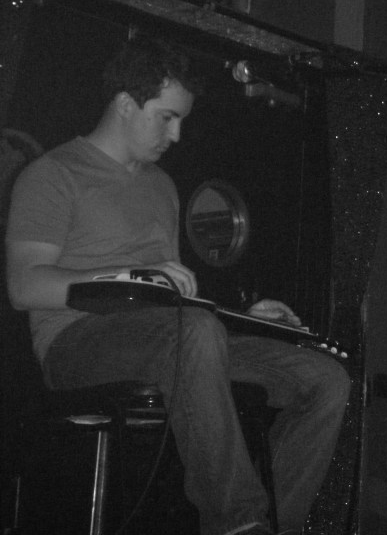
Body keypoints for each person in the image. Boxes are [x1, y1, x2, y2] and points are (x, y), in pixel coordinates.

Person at [4, 37, 351, 535]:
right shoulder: (52, 174)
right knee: (195, 333)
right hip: (75, 342)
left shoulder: (161, 185)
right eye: (167, 117)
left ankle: (276, 525)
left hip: (171, 334)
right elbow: (25, 286)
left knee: (325, 379)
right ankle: (238, 523)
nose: (177, 134)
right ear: (126, 104)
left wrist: (242, 317)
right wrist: (129, 278)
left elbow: (172, 299)